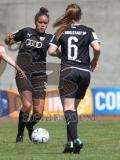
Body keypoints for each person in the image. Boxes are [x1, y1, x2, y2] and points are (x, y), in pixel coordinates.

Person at [48, 4, 101, 153]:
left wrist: (61, 55)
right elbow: (97, 48)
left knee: (68, 108)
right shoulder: (88, 30)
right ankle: (70, 144)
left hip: (68, 71)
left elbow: (51, 50)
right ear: (80, 16)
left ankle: (76, 139)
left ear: (67, 15)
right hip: (84, 72)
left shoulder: (61, 30)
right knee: (73, 109)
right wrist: (95, 61)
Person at [5, 7, 53, 143]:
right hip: (23, 73)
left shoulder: (50, 38)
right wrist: (8, 39)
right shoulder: (26, 31)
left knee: (39, 113)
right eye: (40, 22)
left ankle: (29, 126)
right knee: (27, 105)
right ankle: (20, 135)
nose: (42, 25)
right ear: (36, 22)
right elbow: (8, 41)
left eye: (45, 23)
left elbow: (56, 50)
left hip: (40, 76)